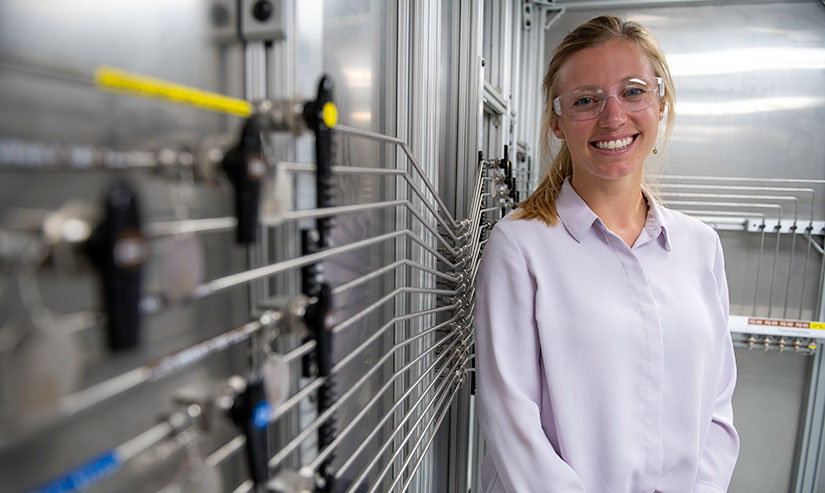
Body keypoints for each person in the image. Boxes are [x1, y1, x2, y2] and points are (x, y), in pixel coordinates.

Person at [475, 15, 739, 493]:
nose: (613, 117)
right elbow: (511, 420)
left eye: (633, 91)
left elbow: (718, 408)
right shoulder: (521, 247)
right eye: (585, 100)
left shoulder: (701, 247)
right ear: (557, 122)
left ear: (661, 103)